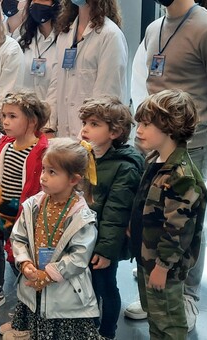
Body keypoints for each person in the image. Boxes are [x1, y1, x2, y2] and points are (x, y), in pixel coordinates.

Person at [125, 0, 207, 328]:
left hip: (194, 143)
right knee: (154, 213)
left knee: (186, 219)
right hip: (155, 142)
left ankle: (187, 295)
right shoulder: (154, 28)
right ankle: (155, 288)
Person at [2, 138, 102, 339]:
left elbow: (79, 257)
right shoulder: (33, 205)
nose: (43, 177)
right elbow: (19, 237)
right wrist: (25, 263)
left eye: (52, 172)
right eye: (44, 170)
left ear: (73, 180)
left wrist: (47, 276)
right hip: (35, 286)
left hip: (65, 295)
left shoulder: (81, 216)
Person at [130, 89, 207, 339]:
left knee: (169, 323)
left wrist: (162, 266)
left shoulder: (180, 176)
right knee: (154, 315)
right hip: (146, 256)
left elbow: (179, 230)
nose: (139, 130)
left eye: (146, 124)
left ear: (170, 128)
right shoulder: (155, 160)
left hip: (163, 264)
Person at [78, 96, 143, 339]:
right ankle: (88, 327)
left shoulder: (124, 166)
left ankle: (106, 332)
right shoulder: (87, 156)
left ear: (114, 132)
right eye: (84, 122)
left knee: (105, 287)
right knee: (87, 287)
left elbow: (117, 212)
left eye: (94, 124)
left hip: (105, 242)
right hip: (84, 238)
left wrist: (106, 251)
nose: (84, 129)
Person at [0, 91, 49, 313]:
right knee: (6, 254)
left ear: (32, 121)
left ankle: (29, 308)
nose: (5, 122)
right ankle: (5, 294)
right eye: (3, 116)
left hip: (26, 214)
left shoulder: (41, 151)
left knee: (24, 258)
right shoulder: (7, 145)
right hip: (5, 209)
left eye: (12, 116)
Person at [47, 0, 128, 137]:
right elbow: (55, 86)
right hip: (63, 139)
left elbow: (106, 96)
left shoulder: (110, 35)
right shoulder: (65, 34)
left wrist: (87, 135)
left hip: (93, 139)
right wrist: (49, 127)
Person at [18, 0, 59, 106]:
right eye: (33, 0)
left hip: (53, 114)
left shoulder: (65, 41)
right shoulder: (23, 41)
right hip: (24, 113)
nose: (36, 3)